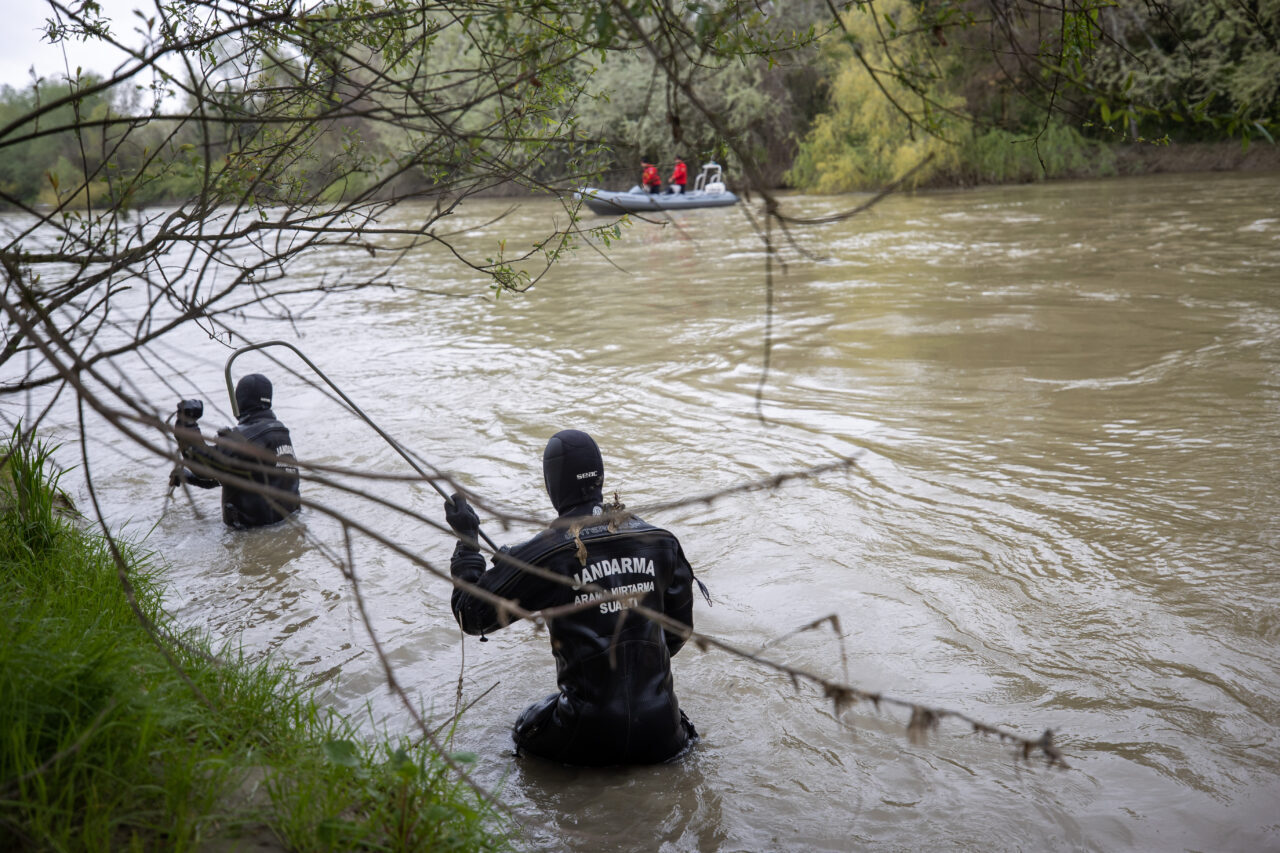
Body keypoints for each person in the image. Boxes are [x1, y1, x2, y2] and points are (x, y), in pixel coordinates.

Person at [444, 429, 704, 766]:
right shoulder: (660, 542)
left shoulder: (545, 555)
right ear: (600, 477)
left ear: (553, 484)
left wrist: (468, 542)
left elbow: (471, 616)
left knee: (525, 725)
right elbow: (679, 631)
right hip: (663, 733)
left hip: (587, 737)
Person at [169, 373, 301, 528]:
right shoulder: (279, 432)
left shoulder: (243, 438)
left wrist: (187, 422)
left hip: (251, 535)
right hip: (289, 525)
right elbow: (246, 475)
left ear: (239, 400)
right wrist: (190, 478)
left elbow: (202, 465)